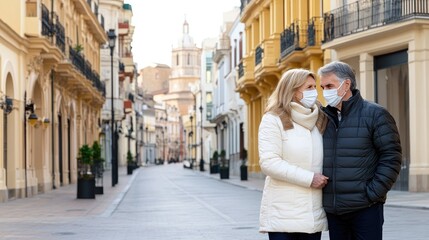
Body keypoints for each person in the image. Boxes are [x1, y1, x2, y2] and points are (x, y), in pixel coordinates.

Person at [318, 61, 402, 240]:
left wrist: (372, 193)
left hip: (365, 209)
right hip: (335, 211)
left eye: (329, 86)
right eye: (322, 87)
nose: (325, 91)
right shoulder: (324, 118)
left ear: (346, 84)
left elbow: (391, 157)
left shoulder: (376, 114)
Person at [258, 69, 328, 240]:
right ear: (293, 90)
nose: (315, 92)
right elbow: (269, 163)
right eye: (309, 87)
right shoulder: (273, 119)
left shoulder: (321, 118)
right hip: (283, 215)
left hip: (312, 214)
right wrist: (309, 178)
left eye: (315, 87)